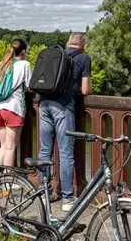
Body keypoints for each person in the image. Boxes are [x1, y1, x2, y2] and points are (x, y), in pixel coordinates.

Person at [38, 32, 92, 211]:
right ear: (84, 46)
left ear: (68, 43)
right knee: (65, 152)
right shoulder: (84, 58)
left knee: (45, 150)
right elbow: (85, 90)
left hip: (44, 104)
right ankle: (68, 198)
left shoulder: (56, 55)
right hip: (63, 107)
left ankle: (43, 193)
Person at [0, 38, 32, 181]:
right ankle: (8, 180)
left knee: (4, 145)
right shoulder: (24, 64)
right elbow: (29, 86)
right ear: (23, 51)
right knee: (11, 147)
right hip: (13, 108)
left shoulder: (2, 63)